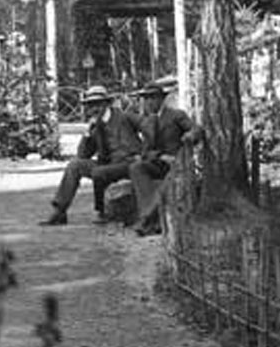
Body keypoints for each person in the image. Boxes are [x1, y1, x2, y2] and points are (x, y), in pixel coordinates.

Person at [40, 84, 142, 226]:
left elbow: (148, 126)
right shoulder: (95, 126)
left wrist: (147, 152)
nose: (94, 109)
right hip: (108, 163)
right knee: (75, 165)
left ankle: (102, 212)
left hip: (128, 162)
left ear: (106, 104)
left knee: (99, 172)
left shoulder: (124, 116)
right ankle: (59, 211)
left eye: (97, 104)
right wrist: (88, 133)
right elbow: (83, 154)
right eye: (90, 105)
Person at [130, 79, 203, 236]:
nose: (148, 102)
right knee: (136, 168)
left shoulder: (176, 115)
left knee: (167, 183)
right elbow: (145, 152)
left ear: (161, 99)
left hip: (178, 164)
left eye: (152, 98)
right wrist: (160, 156)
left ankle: (147, 221)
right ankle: (149, 219)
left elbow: (197, 129)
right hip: (159, 163)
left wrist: (190, 136)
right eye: (146, 99)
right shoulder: (147, 122)